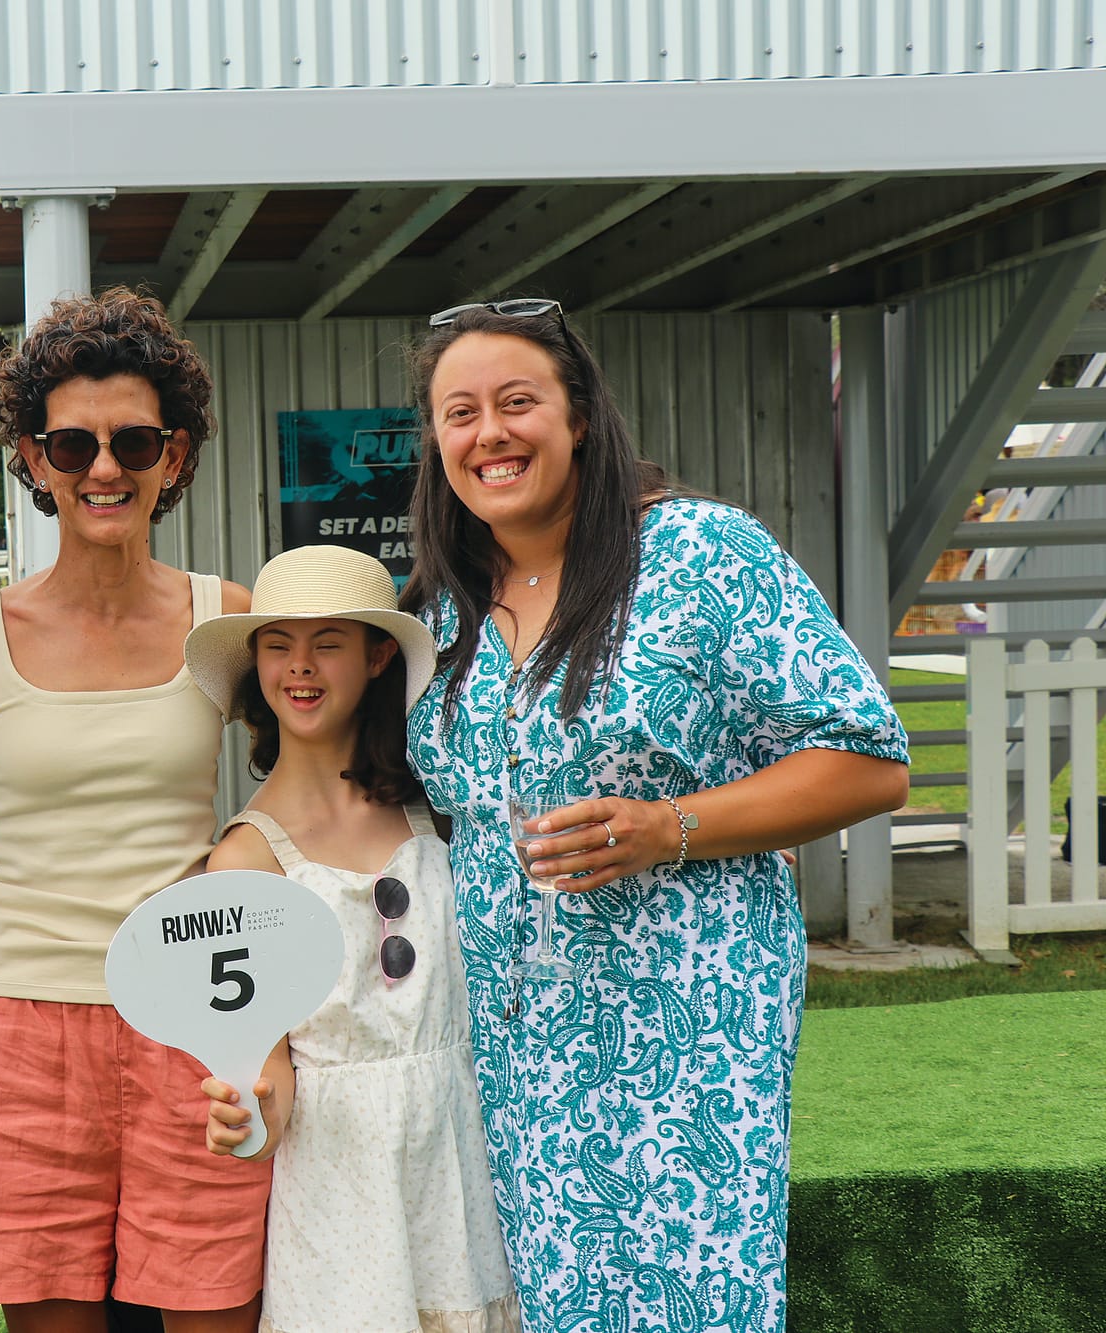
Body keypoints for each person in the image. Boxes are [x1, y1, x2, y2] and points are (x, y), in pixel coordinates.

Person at [399, 299, 910, 1332]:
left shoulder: (700, 554)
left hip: (685, 1029)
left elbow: (866, 759)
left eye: (515, 402)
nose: (488, 433)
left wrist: (663, 825)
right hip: (511, 1042)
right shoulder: (443, 606)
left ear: (578, 414)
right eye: (460, 413)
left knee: (691, 1302)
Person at [0, 288, 268, 1333]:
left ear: (177, 455)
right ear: (31, 458)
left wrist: (213, 881)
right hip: (20, 1031)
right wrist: (40, 869)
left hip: (199, 1017)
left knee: (214, 1304)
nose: (101, 467)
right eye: (69, 443)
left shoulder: (231, 619)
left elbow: (301, 794)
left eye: (132, 441)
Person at [190, 545, 521, 1333]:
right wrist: (244, 1117)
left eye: (327, 642)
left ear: (378, 656)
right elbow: (266, 1080)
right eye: (278, 643)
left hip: (461, 1154)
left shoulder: (437, 807)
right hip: (341, 1187)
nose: (299, 667)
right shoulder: (242, 858)